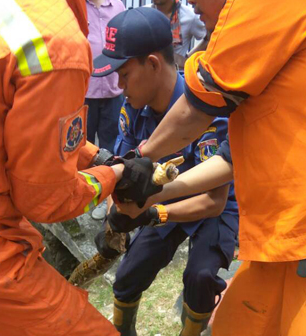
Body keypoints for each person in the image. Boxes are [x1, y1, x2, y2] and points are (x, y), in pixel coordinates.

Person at [118, 0, 306, 335]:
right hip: (295, 237)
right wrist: (152, 193)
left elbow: (197, 108)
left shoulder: (270, 7)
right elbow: (228, 160)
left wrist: (140, 160)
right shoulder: (271, 54)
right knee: (236, 324)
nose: (189, 2)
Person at [0, 1, 160, 335]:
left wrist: (97, 157)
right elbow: (45, 200)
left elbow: (19, 128)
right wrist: (113, 176)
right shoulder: (57, 45)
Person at [92, 7, 238, 336]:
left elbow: (213, 202)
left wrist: (150, 214)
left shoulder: (209, 111)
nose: (118, 85)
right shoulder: (132, 110)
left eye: (124, 74)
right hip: (161, 204)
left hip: (213, 206)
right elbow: (123, 172)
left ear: (153, 64)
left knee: (199, 279)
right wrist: (115, 220)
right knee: (128, 275)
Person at [85, 0, 125, 220]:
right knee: (82, 147)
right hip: (85, 91)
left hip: (113, 91)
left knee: (111, 149)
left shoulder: (117, 6)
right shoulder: (76, 6)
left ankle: (105, 197)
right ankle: (80, 196)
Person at [149, 0, 206, 69]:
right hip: (147, 71)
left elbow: (210, 39)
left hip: (174, 74)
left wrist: (188, 59)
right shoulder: (144, 13)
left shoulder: (189, 16)